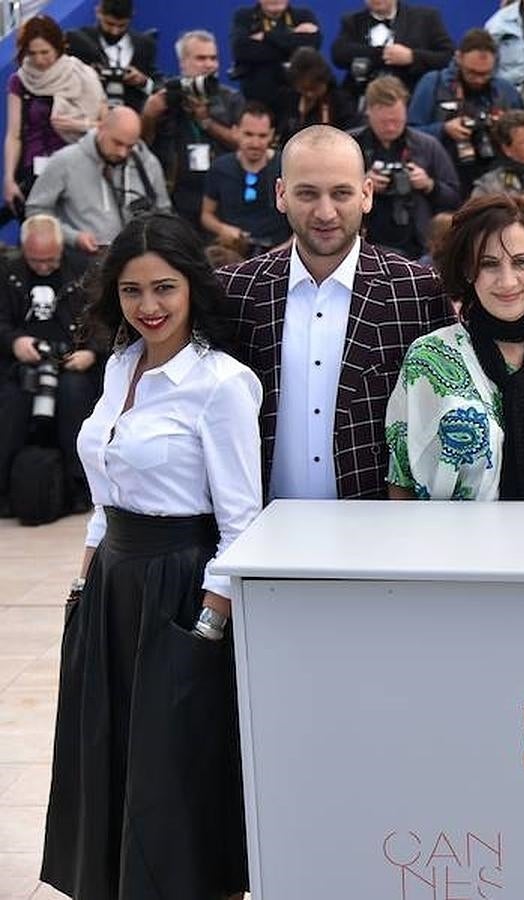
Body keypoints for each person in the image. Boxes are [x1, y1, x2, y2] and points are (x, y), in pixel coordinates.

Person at [41, 211, 260, 900]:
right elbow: (107, 496)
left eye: (164, 288)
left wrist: (207, 625)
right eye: (133, 292)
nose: (150, 307)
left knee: (170, 770)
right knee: (105, 752)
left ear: (192, 287)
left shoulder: (221, 384)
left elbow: (240, 520)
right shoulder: (119, 365)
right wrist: (83, 587)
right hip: (111, 586)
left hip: (179, 583)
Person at [217, 125, 451, 500]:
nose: (325, 212)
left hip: (376, 534)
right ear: (281, 194)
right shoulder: (234, 291)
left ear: (366, 194)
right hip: (261, 533)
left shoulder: (418, 291)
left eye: (341, 193)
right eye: (307, 193)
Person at [387, 193, 524, 500]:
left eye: (521, 262)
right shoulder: (429, 357)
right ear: (466, 269)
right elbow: (401, 480)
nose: (507, 281)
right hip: (457, 545)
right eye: (489, 264)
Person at [0, 215, 98, 517]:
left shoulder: (84, 270)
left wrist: (91, 352)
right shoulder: (7, 272)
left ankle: (80, 486)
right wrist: (14, 342)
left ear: (61, 249)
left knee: (74, 395)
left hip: (74, 362)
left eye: (50, 259)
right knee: (13, 401)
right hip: (19, 363)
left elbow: (104, 320)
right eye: (36, 260)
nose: (43, 266)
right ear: (23, 249)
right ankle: (5, 488)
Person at [26, 105, 171, 256]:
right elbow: (36, 211)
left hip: (134, 259)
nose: (122, 152)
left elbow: (164, 212)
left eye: (130, 146)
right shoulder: (65, 161)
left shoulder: (148, 163)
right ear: (101, 128)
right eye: (117, 143)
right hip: (80, 260)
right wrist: (73, 237)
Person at [4, 16, 105, 223]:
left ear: (58, 48)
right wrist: (9, 178)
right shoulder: (19, 81)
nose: (39, 60)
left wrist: (78, 125)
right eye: (32, 53)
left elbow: (105, 127)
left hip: (78, 170)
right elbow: (14, 135)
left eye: (45, 52)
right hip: (34, 173)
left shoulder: (83, 75)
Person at [141, 30, 246, 229]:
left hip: (221, 196)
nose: (209, 64)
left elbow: (245, 143)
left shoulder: (231, 99)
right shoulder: (165, 96)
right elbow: (142, 144)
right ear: (183, 63)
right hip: (176, 195)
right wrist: (148, 115)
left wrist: (206, 121)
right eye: (201, 58)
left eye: (213, 58)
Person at [354, 76, 461, 261]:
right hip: (363, 242)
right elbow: (329, 193)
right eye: (384, 122)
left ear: (406, 112)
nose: (391, 127)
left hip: (418, 245)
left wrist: (429, 185)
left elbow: (455, 198)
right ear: (368, 112)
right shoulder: (349, 146)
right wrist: (359, 186)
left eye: (396, 121)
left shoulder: (427, 146)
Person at [410, 28, 524, 191]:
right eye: (472, 73)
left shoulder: (506, 91)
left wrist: (503, 130)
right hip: (444, 177)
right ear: (459, 58)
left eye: (485, 74)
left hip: (496, 180)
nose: (478, 80)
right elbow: (410, 133)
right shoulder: (433, 84)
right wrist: (444, 129)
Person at [202, 101, 290, 255]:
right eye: (248, 134)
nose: (255, 143)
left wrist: (284, 250)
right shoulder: (220, 167)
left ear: (271, 135)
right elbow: (206, 215)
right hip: (234, 250)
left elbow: (304, 218)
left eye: (262, 136)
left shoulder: (286, 165)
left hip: (279, 251)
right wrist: (223, 229)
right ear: (235, 132)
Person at [331, 0, 454, 102]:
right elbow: (339, 54)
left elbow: (447, 56)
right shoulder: (352, 21)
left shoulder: (426, 18)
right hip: (362, 99)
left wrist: (412, 57)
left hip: (412, 99)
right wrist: (382, 53)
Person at [229, 0, 323, 122]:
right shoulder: (244, 16)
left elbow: (311, 45)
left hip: (296, 96)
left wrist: (266, 36)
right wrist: (292, 40)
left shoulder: (303, 15)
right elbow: (241, 51)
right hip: (258, 96)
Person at [65, 0, 158, 113]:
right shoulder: (77, 41)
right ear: (98, 12)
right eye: (109, 24)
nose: (115, 31)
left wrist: (143, 81)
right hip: (87, 117)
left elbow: (158, 85)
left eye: (122, 25)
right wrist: (87, 76)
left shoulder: (145, 45)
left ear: (132, 16)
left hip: (133, 120)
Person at [276, 46, 359, 144]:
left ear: (324, 81)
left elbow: (351, 134)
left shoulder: (340, 101)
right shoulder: (289, 99)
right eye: (304, 89)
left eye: (314, 89)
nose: (309, 94)